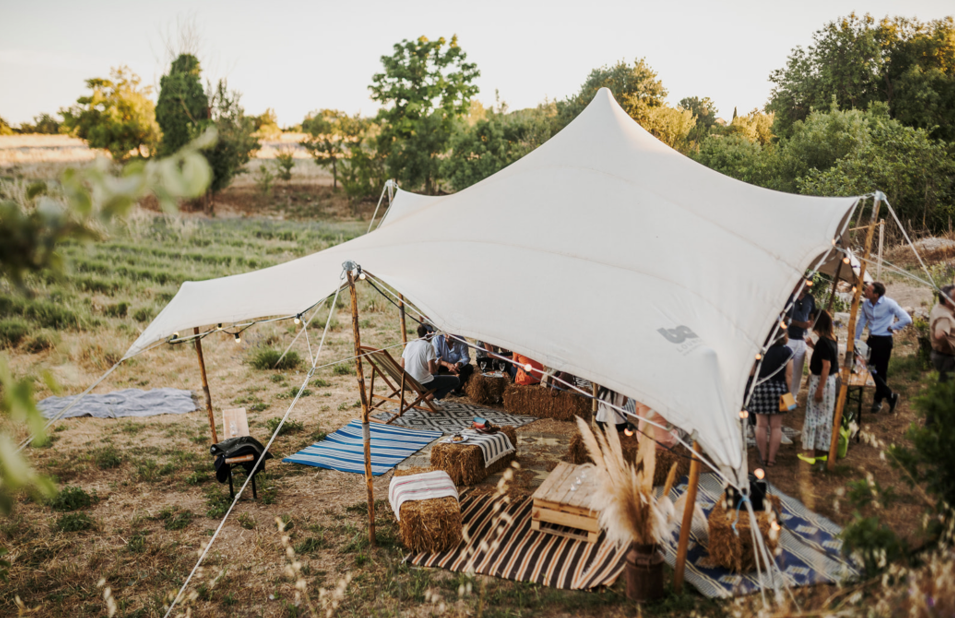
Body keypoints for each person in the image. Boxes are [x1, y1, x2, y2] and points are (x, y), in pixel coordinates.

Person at [855, 282, 912, 413]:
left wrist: (893, 327)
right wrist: (856, 340)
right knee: (869, 368)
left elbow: (906, 319)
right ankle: (890, 396)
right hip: (871, 340)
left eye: (869, 290)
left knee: (881, 371)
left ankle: (878, 401)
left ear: (876, 294)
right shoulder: (866, 304)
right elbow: (862, 321)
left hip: (884, 341)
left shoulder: (889, 303)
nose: (865, 291)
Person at [747, 333, 793, 467]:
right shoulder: (787, 351)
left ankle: (762, 457)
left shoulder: (758, 350)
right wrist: (788, 395)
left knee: (761, 425)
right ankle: (771, 459)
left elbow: (751, 372)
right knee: (776, 427)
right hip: (780, 390)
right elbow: (789, 376)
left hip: (760, 389)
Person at [799, 310, 839, 464]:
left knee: (813, 416)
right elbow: (826, 356)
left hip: (821, 381)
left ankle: (810, 453)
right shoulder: (831, 339)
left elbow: (826, 366)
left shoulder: (823, 342)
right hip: (830, 381)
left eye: (812, 320)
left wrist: (819, 389)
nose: (810, 323)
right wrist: (813, 346)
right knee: (824, 417)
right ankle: (822, 450)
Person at [401, 324, 459, 401]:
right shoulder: (428, 346)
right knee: (456, 380)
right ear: (428, 333)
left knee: (434, 378)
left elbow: (402, 366)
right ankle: (426, 400)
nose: (433, 334)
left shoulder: (409, 344)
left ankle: (420, 398)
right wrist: (438, 364)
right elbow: (432, 371)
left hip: (409, 382)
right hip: (423, 383)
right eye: (432, 332)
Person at [787, 282, 816, 401]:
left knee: (798, 371)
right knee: (787, 371)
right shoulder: (788, 296)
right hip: (787, 338)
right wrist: (800, 324)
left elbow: (812, 314)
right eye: (806, 285)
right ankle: (784, 398)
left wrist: (811, 322)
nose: (808, 287)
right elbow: (782, 316)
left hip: (802, 339)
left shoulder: (810, 298)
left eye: (809, 286)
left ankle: (793, 397)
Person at [930, 285, 955, 383]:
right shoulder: (944, 317)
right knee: (948, 386)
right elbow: (939, 334)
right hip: (948, 358)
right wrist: (941, 335)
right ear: (948, 301)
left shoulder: (939, 306)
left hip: (941, 355)